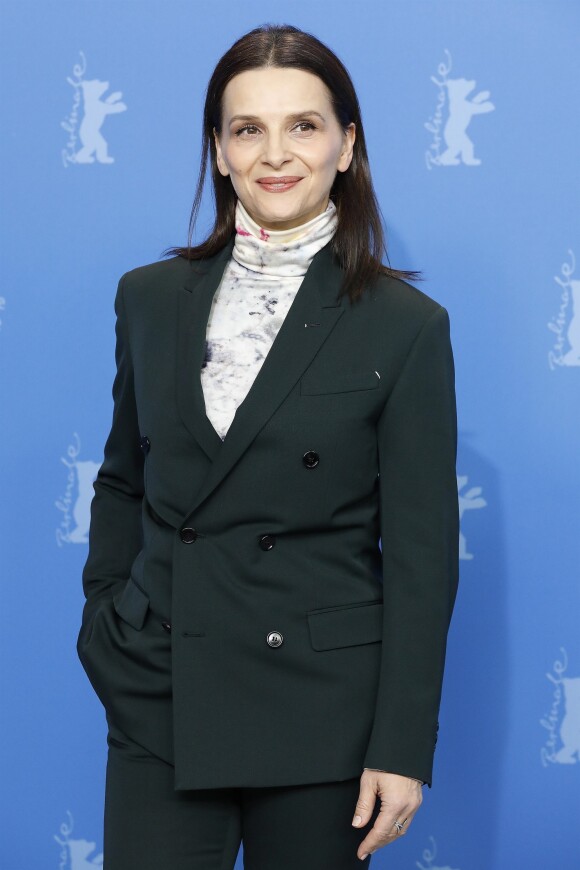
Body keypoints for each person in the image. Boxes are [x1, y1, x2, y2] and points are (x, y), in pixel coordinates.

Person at [77, 22, 460, 870]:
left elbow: (423, 557)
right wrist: (107, 622)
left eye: (305, 126)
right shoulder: (148, 297)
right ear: (218, 150)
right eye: (248, 128)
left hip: (321, 715)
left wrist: (402, 744)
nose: (276, 154)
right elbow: (122, 480)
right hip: (161, 690)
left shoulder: (405, 328)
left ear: (346, 144)